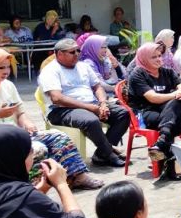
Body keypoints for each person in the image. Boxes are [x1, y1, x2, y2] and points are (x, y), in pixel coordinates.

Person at [0, 47, 102, 189]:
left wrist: (27, 123)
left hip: (11, 136)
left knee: (58, 137)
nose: (6, 71)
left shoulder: (7, 85)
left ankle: (77, 177)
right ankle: (29, 190)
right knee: (35, 149)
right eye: (1, 68)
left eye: (8, 67)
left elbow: (20, 112)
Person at [40, 38, 131, 167]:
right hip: (62, 109)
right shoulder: (50, 71)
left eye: (78, 50)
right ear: (59, 54)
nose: (77, 54)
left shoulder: (83, 66)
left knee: (123, 113)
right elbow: (57, 98)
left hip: (91, 103)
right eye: (72, 52)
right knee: (91, 120)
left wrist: (103, 103)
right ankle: (109, 154)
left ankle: (101, 154)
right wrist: (91, 108)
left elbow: (97, 87)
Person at [126, 42, 181, 175]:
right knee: (178, 107)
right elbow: (152, 98)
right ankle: (169, 165)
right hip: (147, 113)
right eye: (153, 57)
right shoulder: (138, 74)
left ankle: (162, 142)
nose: (158, 59)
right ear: (144, 58)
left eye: (159, 55)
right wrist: (175, 94)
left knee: (180, 101)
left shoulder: (166, 72)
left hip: (166, 114)